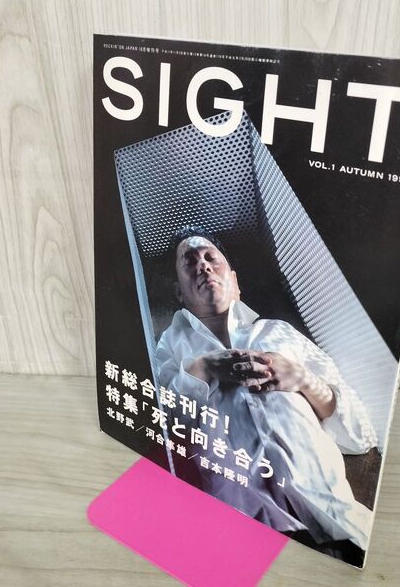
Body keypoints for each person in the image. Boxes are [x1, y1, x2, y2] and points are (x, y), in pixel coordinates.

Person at [155, 226, 378, 562]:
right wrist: (204, 368)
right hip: (242, 536)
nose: (203, 265)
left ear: (235, 281)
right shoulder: (170, 348)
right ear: (178, 292)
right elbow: (163, 426)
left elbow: (360, 436)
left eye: (211, 257)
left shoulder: (280, 333)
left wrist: (305, 380)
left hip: (335, 521)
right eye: (190, 261)